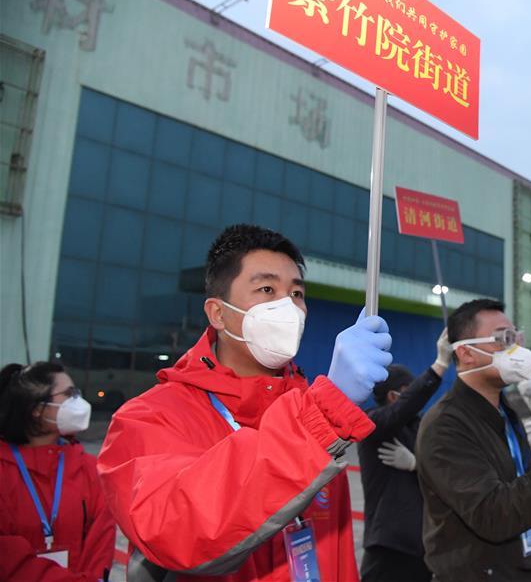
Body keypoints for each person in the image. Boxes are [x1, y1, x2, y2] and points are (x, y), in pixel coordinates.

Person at [97, 224, 393, 581]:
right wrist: (325, 411)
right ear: (218, 313)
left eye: (296, 293)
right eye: (267, 289)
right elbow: (176, 532)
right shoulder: (148, 417)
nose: (288, 306)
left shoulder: (308, 412)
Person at [416, 299, 531, 581]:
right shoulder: (445, 425)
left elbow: (525, 490)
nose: (516, 349)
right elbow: (495, 515)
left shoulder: (506, 413)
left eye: (515, 337)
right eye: (503, 339)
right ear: (466, 353)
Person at [1, 361, 115, 581]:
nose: (78, 401)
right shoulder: (4, 470)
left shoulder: (88, 468)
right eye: (68, 394)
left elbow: (100, 545)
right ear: (36, 408)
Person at [358, 330, 452, 582]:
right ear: (392, 395)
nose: (416, 401)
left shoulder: (418, 426)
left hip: (421, 547)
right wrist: (439, 366)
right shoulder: (373, 424)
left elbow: (442, 470)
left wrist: (415, 464)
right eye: (408, 392)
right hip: (388, 546)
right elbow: (403, 408)